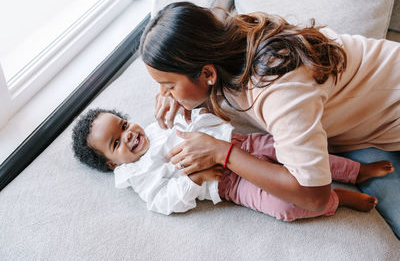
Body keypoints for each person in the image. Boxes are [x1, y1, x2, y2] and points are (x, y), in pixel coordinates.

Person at [139, 2, 400, 238]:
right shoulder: (231, 43)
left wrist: (222, 152)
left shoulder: (279, 87)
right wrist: (182, 92)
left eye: (168, 85)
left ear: (207, 72)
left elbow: (315, 197)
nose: (164, 95)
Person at [71, 107, 393, 219]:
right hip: (230, 184)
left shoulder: (159, 126)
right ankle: (338, 200)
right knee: (283, 208)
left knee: (296, 153)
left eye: (124, 125)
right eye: (116, 143)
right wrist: (194, 179)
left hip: (239, 144)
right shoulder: (139, 175)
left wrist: (192, 114)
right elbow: (163, 202)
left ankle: (355, 171)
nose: (128, 136)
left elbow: (199, 117)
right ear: (114, 165)